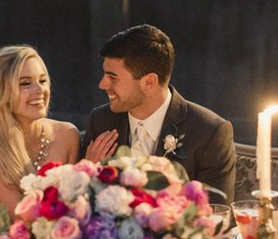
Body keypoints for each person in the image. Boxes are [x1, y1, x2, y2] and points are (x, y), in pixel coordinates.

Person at [83, 24, 236, 204]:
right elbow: (83, 205)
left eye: (112, 77)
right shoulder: (101, 121)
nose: (103, 84)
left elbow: (217, 214)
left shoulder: (209, 132)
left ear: (149, 82)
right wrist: (88, 171)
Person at [0, 45, 80, 217]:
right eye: (25, 83)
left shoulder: (67, 135)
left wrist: (89, 176)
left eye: (42, 81)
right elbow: (21, 215)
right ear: (1, 91)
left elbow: (76, 208)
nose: (40, 90)